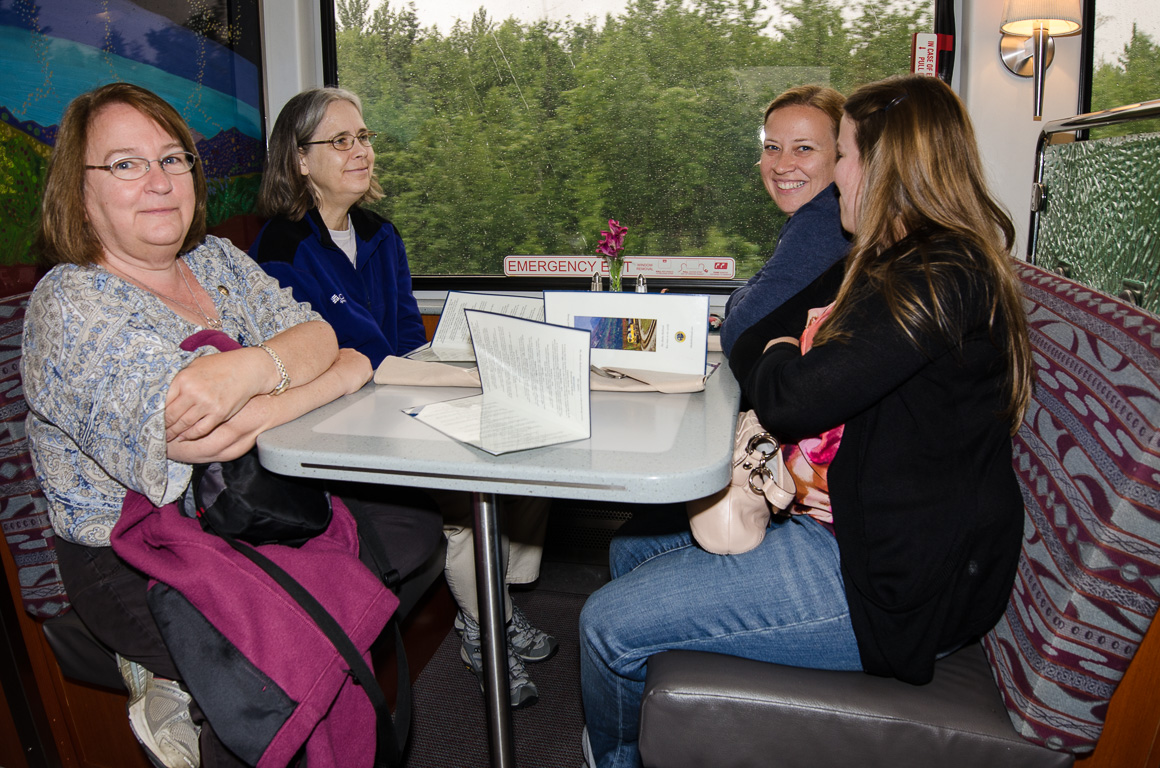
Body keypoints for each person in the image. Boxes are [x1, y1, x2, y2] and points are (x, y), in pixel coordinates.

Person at [578, 74, 1033, 768]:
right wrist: (781, 350)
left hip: (893, 580)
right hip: (848, 516)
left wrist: (781, 348)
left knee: (604, 626)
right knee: (626, 551)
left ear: (887, 166)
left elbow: (789, 392)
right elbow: (771, 342)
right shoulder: (884, 259)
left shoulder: (942, 276)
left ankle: (613, 759)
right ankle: (656, 722)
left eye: (842, 155)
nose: (833, 178)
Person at [21, 82, 438, 768]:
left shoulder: (215, 259)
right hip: (137, 547)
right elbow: (202, 438)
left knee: (411, 524)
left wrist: (252, 381)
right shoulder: (69, 303)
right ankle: (221, 704)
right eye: (125, 164)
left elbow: (321, 336)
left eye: (174, 160)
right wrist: (312, 368)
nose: (158, 181)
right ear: (80, 189)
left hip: (252, 499)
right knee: (284, 644)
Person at [249, 87, 556, 709]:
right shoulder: (278, 252)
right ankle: (482, 629)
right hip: (333, 415)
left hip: (395, 395)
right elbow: (336, 355)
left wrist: (439, 377)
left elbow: (406, 335)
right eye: (341, 141)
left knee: (528, 449)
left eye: (363, 137)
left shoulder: (378, 234)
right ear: (300, 161)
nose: (360, 151)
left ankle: (489, 600)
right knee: (474, 490)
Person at [719, 85, 851, 356]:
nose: (781, 165)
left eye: (803, 148)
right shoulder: (822, 214)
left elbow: (738, 332)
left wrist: (739, 299)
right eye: (772, 147)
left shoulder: (823, 222)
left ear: (841, 158)